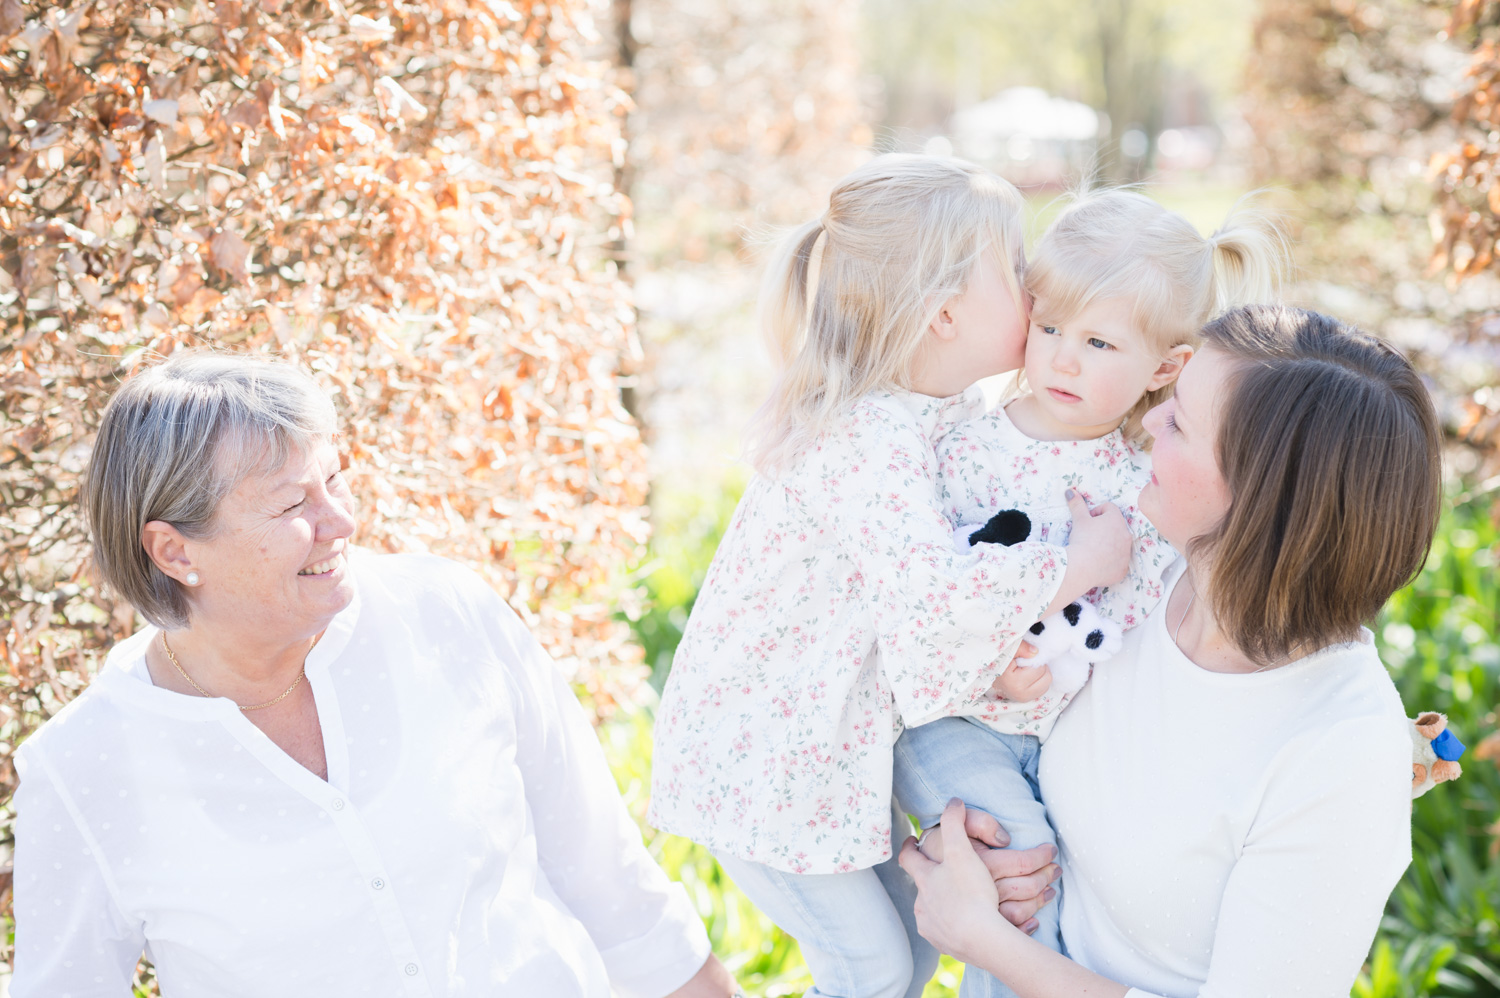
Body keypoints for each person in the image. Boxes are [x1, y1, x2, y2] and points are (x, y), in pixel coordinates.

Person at [10, 353, 738, 998]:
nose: (341, 523)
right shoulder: (87, 767)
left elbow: (608, 878)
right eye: (293, 504)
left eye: (334, 482)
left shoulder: (447, 617)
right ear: (173, 552)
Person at [649, 154, 1134, 998]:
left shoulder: (934, 418)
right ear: (946, 313)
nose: (1035, 287)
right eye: (1015, 270)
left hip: (816, 755)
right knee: (870, 966)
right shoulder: (866, 437)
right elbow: (938, 600)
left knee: (902, 961)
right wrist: (1078, 564)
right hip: (765, 763)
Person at [899, 305, 1440, 997]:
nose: (1150, 421)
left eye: (1179, 421)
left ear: (1256, 504)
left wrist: (983, 939)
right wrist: (975, 839)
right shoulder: (1140, 577)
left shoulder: (1342, 754)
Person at [890, 190, 1286, 997]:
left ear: (1167, 368)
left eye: (1100, 342)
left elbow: (1163, 620)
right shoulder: (961, 446)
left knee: (1077, 886)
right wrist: (993, 665)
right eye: (1049, 329)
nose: (1063, 360)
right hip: (955, 719)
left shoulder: (1144, 482)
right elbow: (920, 602)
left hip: (1064, 735)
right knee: (1022, 870)